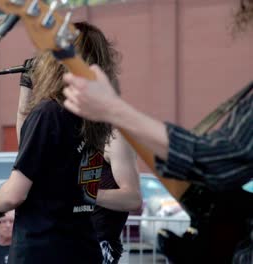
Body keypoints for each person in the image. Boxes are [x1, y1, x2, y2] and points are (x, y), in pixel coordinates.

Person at [62, 1, 253, 263]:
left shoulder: (112, 137)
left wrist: (114, 109)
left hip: (97, 247)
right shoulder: (70, 131)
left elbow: (221, 158)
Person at [0, 22, 139, 264]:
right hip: (82, 247)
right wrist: (26, 86)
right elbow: (33, 148)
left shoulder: (49, 114)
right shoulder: (95, 119)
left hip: (43, 249)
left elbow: (14, 194)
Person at [19, 57, 141, 264]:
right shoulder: (68, 129)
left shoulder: (112, 134)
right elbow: (25, 139)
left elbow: (133, 199)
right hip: (62, 238)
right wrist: (26, 83)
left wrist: (84, 192)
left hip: (97, 242)